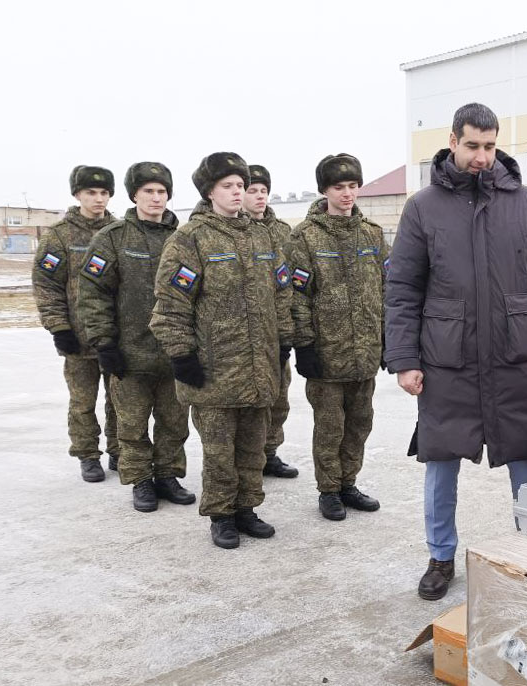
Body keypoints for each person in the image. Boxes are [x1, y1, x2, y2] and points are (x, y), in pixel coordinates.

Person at [385, 102, 527, 601]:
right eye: (472, 146)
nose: (482, 157)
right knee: (440, 461)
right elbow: (402, 288)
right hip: (448, 359)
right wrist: (403, 359)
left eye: (490, 146)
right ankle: (440, 555)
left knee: (526, 458)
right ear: (452, 142)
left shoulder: (524, 202)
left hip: (513, 355)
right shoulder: (423, 206)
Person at [150, 153, 294, 550]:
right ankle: (221, 515)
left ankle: (247, 507)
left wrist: (284, 339)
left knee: (252, 446)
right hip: (213, 369)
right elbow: (171, 304)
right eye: (228, 186)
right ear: (209, 191)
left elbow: (283, 293)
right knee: (218, 451)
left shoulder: (263, 237)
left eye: (241, 185)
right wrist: (181, 355)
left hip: (259, 367)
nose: (237, 192)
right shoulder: (191, 239)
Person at [77, 162, 193, 512]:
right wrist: (105, 343)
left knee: (174, 421)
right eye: (148, 192)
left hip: (175, 350)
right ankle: (141, 480)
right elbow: (92, 292)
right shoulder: (113, 238)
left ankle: (168, 475)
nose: (156, 198)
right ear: (134, 195)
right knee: (132, 423)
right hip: (130, 351)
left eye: (161, 192)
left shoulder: (185, 238)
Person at [287, 154, 386, 521]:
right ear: (324, 190)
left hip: (364, 353)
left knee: (360, 423)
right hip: (326, 355)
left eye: (352, 186)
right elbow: (295, 295)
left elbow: (386, 288)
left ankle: (348, 483)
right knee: (330, 427)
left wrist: (387, 338)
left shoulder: (372, 234)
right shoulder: (304, 237)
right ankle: (328, 490)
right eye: (338, 187)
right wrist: (305, 345)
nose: (347, 194)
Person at [32, 165, 120, 482]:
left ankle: (118, 451)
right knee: (83, 403)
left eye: (104, 193)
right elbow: (46, 285)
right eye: (90, 193)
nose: (98, 199)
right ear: (77, 194)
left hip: (114, 337)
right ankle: (87, 455)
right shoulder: (60, 235)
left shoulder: (119, 231)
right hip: (78, 340)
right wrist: (59, 327)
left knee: (119, 401)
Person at [243, 164, 299, 480]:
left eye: (263, 190)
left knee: (279, 398)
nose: (259, 196)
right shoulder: (238, 230)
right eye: (253, 190)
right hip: (247, 333)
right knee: (252, 402)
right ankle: (251, 459)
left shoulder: (282, 232)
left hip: (278, 331)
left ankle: (270, 452)